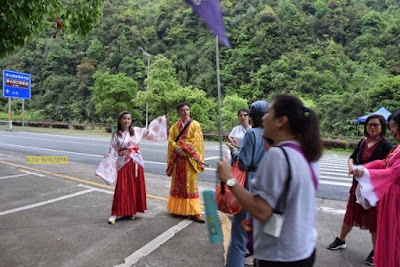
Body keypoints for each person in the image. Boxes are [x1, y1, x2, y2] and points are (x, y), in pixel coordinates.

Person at [217, 94, 322, 266]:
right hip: (303, 248)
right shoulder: (308, 153)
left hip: (279, 254)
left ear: (281, 121)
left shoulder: (278, 155)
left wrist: (229, 179)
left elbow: (260, 210)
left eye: (269, 113)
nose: (264, 118)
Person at [327, 114, 392, 265]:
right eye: (370, 125)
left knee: (374, 219)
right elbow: (352, 157)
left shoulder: (386, 146)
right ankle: (340, 239)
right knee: (351, 212)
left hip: (373, 189)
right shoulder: (363, 142)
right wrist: (351, 166)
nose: (372, 127)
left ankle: (376, 251)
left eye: (376, 125)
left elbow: (387, 168)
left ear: (382, 128)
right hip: (357, 186)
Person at [96, 111, 167, 224]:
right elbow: (112, 151)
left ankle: (132, 210)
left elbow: (149, 130)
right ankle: (115, 213)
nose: (127, 121)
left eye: (129, 119)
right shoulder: (116, 135)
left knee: (134, 187)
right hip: (123, 162)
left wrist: (162, 120)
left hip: (136, 162)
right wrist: (106, 168)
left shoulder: (137, 131)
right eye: (124, 118)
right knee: (122, 188)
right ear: (120, 120)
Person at [225, 100, 269, 267]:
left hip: (250, 183)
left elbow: (244, 162)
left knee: (239, 233)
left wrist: (235, 152)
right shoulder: (275, 135)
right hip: (267, 184)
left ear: (253, 118)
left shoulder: (252, 134)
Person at [354, 110, 400, 267]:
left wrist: (366, 172)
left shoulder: (390, 146)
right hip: (389, 197)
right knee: (387, 234)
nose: (393, 130)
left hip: (396, 200)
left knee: (394, 236)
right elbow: (383, 163)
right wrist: (364, 169)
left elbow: (393, 172)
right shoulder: (397, 148)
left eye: (394, 126)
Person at [166, 103, 205, 223]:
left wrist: (183, 149)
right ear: (178, 112)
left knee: (190, 186)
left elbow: (197, 142)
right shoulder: (174, 126)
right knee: (179, 185)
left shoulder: (195, 125)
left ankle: (194, 212)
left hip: (189, 161)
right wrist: (176, 148)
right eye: (182, 110)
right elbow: (171, 140)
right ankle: (179, 209)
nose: (185, 112)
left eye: (187, 110)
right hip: (178, 160)